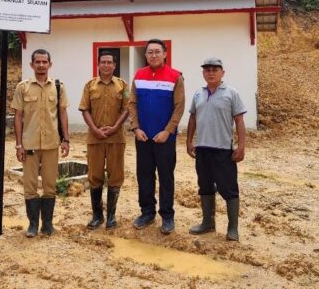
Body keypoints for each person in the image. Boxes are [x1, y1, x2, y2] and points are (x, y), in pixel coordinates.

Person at [12, 49, 70, 237]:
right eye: (38, 62)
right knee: (29, 186)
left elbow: (62, 114)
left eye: (45, 62)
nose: (41, 65)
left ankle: (47, 224)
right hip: (29, 145)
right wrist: (18, 144)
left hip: (52, 143)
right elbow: (18, 116)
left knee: (49, 185)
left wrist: (66, 139)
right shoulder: (23, 87)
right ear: (32, 65)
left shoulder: (58, 87)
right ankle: (32, 225)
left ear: (50, 64)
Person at [186, 58, 246, 241]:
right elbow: (193, 119)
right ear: (203, 73)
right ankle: (207, 223)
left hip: (222, 150)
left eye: (214, 69)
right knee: (204, 186)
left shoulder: (231, 93)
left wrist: (241, 146)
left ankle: (233, 228)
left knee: (229, 189)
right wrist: (189, 141)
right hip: (202, 150)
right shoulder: (198, 94)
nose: (210, 73)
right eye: (207, 70)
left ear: (222, 73)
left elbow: (239, 121)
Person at [129, 39, 185, 234]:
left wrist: (167, 131)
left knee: (166, 177)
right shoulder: (139, 76)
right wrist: (136, 128)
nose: (153, 55)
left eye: (157, 51)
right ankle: (147, 212)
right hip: (143, 137)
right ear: (145, 55)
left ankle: (167, 216)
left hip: (165, 139)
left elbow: (179, 107)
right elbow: (132, 104)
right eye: (150, 52)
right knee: (144, 175)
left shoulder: (175, 77)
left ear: (165, 53)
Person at [79, 51, 129, 229]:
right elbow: (84, 109)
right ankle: (97, 216)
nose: (106, 65)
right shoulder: (90, 86)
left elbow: (127, 108)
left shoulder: (122, 86)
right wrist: (94, 129)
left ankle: (111, 217)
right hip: (95, 139)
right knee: (95, 176)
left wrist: (115, 127)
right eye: (103, 62)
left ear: (114, 66)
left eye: (110, 63)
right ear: (98, 65)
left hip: (116, 139)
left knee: (115, 177)